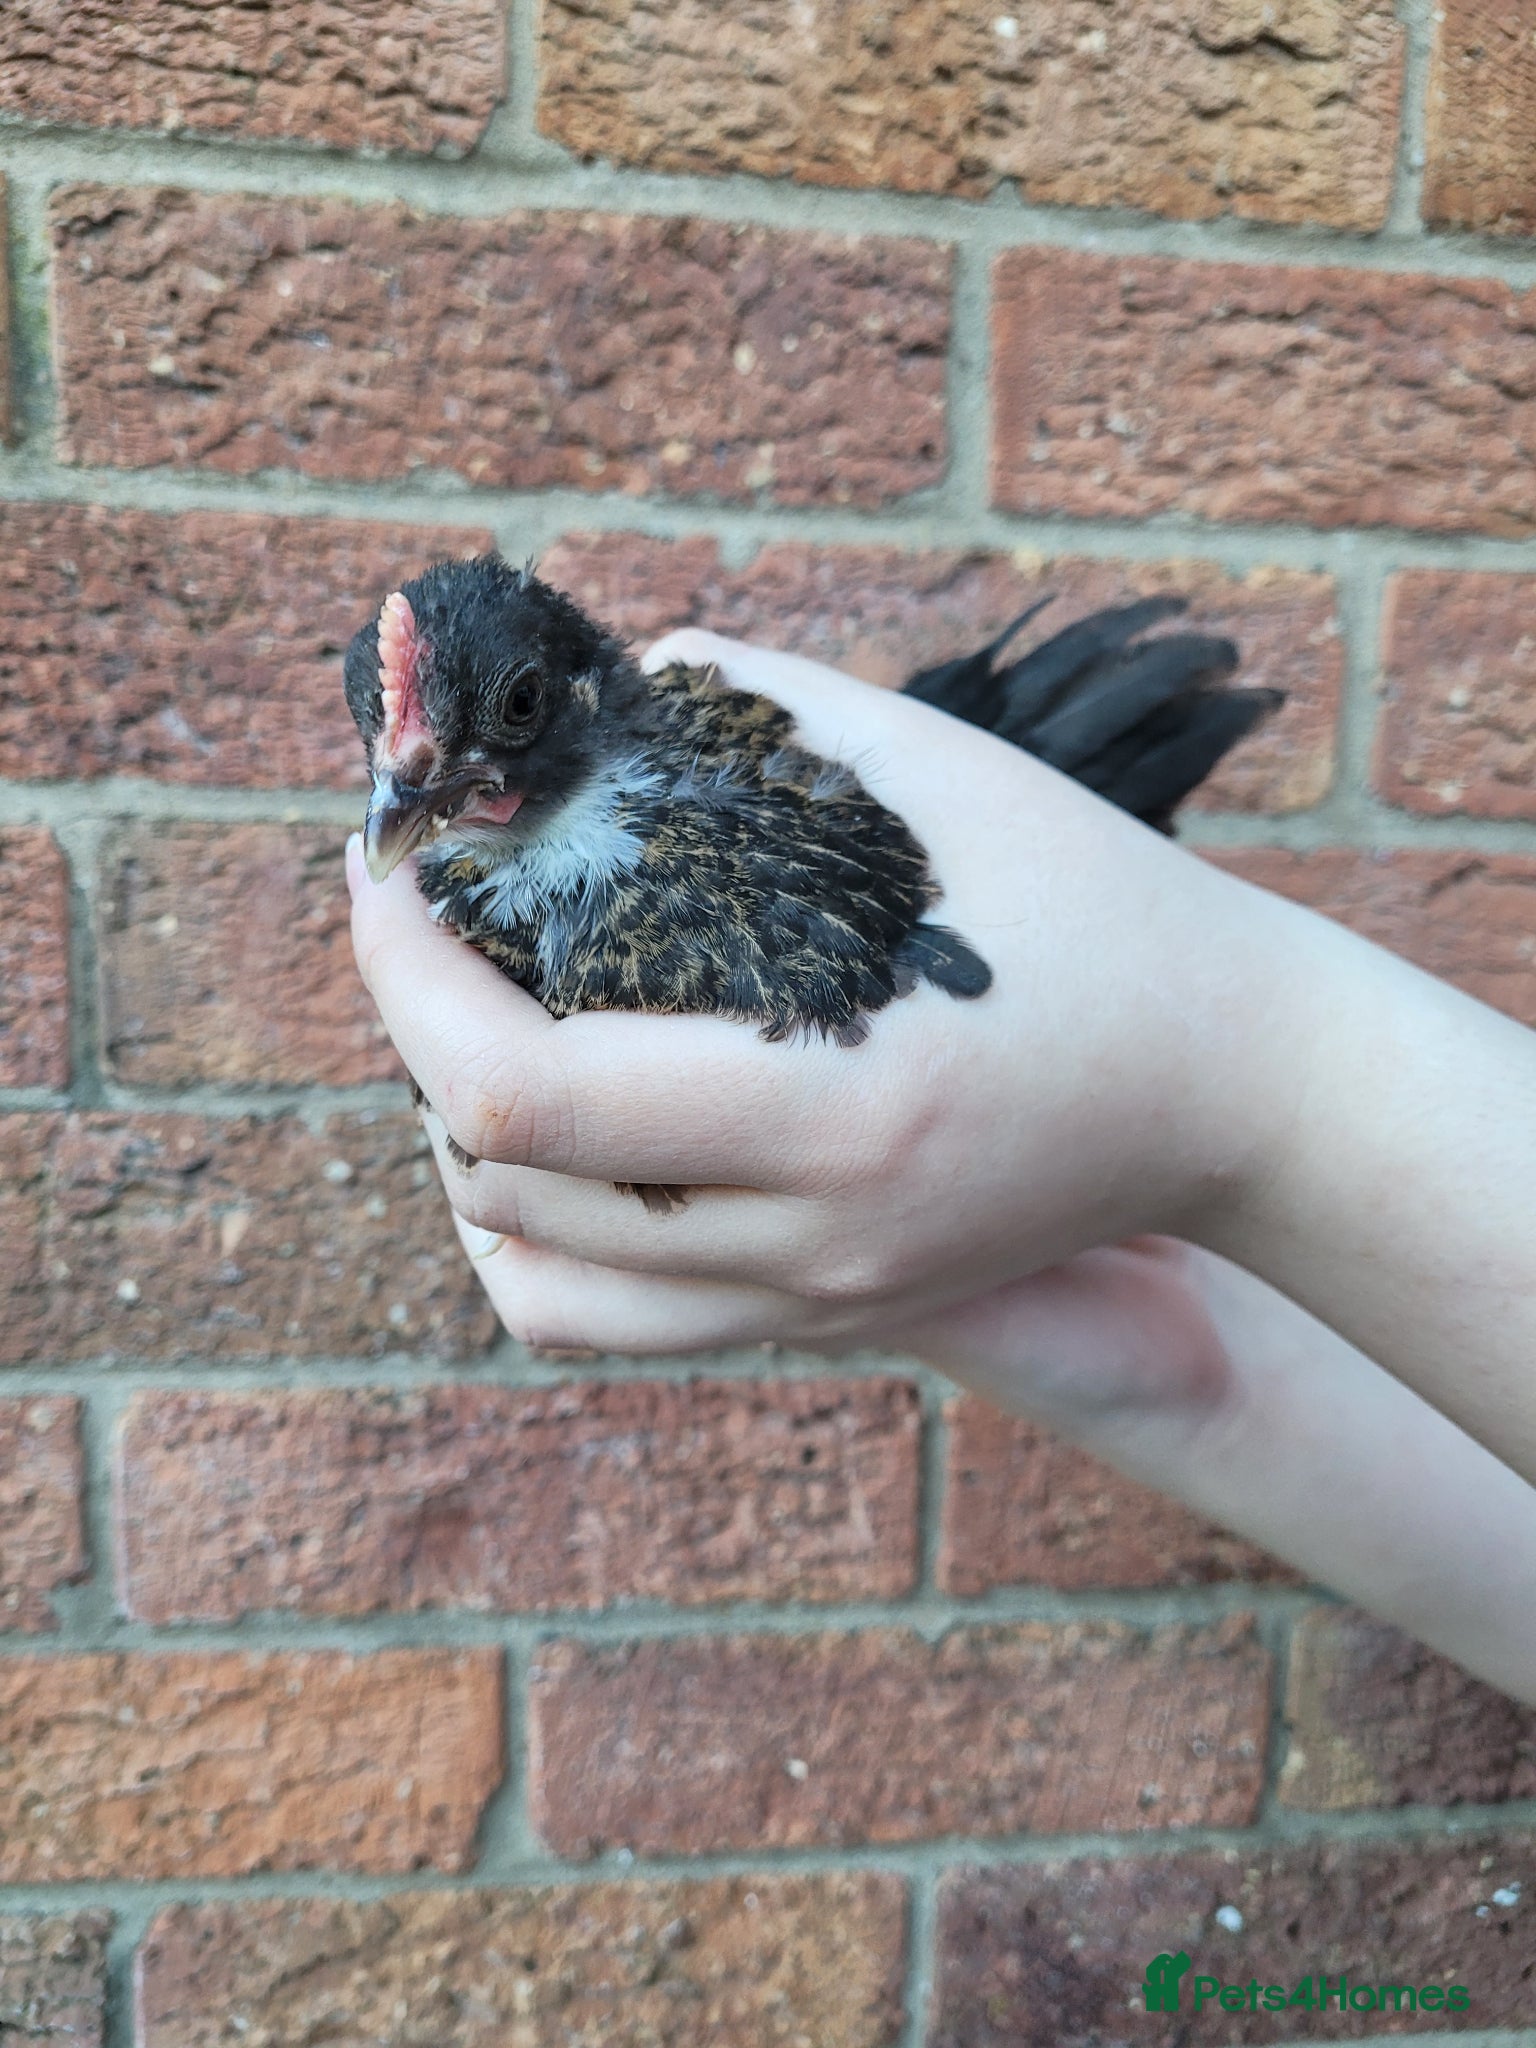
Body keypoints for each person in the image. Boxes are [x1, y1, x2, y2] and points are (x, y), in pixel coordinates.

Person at [348, 629, 1536, 1706]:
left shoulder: (699, 816)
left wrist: (1239, 1055)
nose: (413, 791)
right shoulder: (491, 901)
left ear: (574, 688)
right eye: (391, 755)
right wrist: (1184, 1372)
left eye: (507, 709)